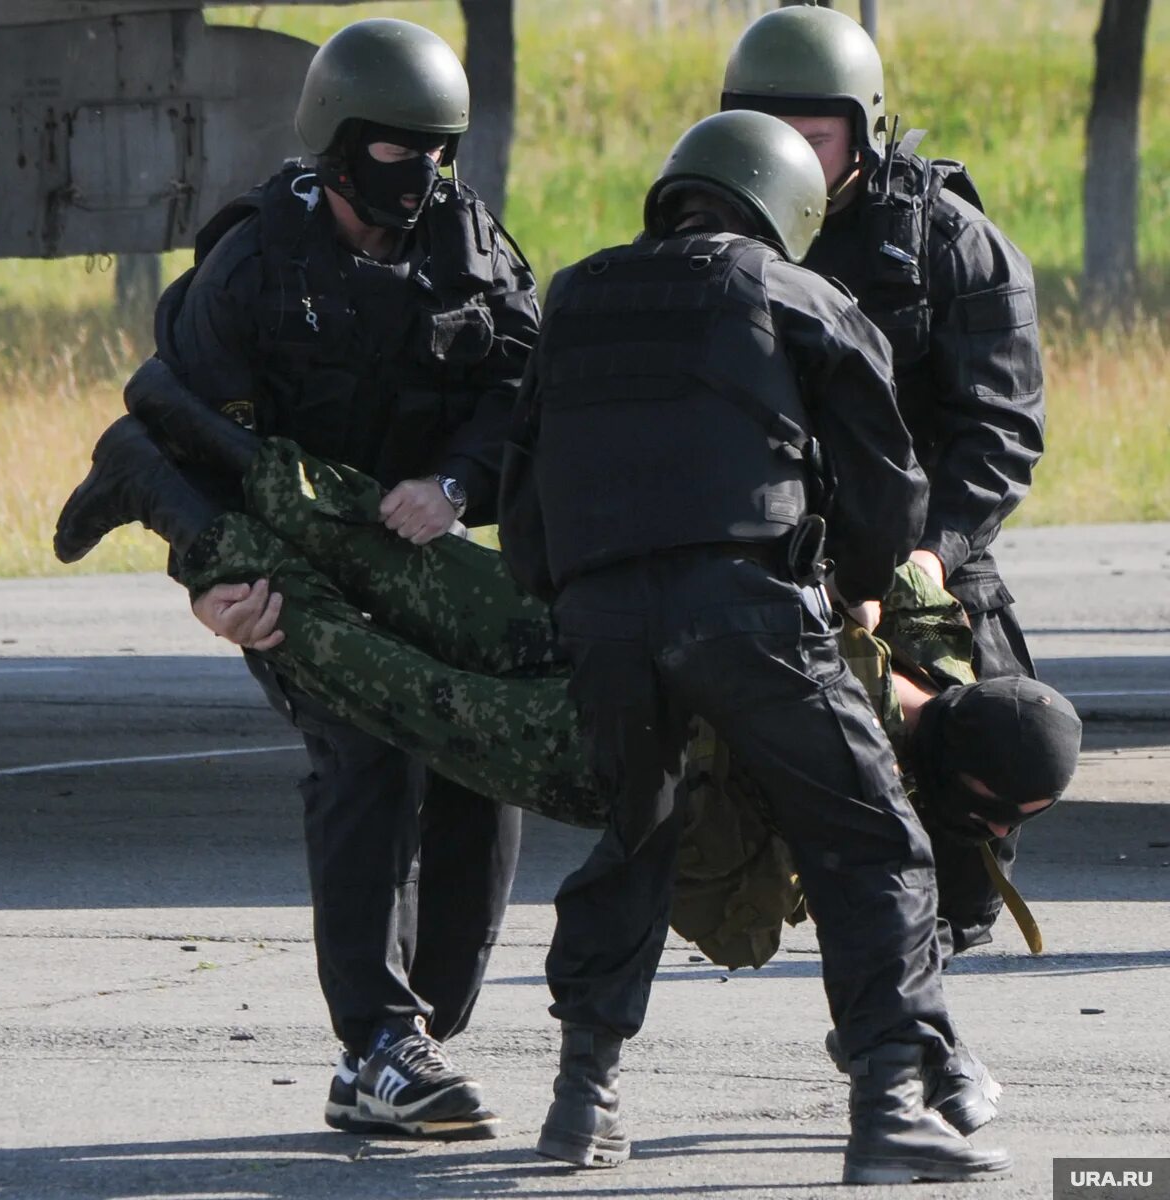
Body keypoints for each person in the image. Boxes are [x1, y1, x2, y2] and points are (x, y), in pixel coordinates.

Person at [54, 385, 1074, 1155]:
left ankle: (184, 431)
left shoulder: (922, 641)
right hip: (583, 734)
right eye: (996, 818)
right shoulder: (862, 774)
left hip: (610, 614)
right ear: (969, 787)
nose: (993, 837)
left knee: (400, 563)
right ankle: (167, 491)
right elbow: (735, 916)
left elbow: (887, 552)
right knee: (354, 656)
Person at [498, 109, 1011, 1183]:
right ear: (787, 207)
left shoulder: (577, 294)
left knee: (636, 839)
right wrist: (862, 589)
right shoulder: (795, 292)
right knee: (872, 839)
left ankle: (581, 1098)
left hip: (600, 620)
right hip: (747, 611)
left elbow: (524, 494)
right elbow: (888, 482)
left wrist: (578, 605)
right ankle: (890, 1105)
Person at [59, 18, 541, 1141]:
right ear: (337, 140)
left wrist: (456, 485)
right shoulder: (253, 266)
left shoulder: (471, 248)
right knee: (367, 745)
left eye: (437, 149)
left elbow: (524, 396)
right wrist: (210, 587)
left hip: (418, 556)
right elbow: (183, 436)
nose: (419, 173)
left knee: (487, 749)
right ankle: (378, 1038)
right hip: (285, 564)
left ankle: (417, 1032)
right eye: (395, 148)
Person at [720, 4, 1046, 956]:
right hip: (766, 548)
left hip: (918, 549)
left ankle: (942, 932)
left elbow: (1000, 431)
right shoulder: (712, 235)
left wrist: (926, 560)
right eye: (767, 133)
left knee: (996, 738)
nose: (787, 159)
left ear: (862, 132)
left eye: (812, 138)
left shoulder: (953, 246)